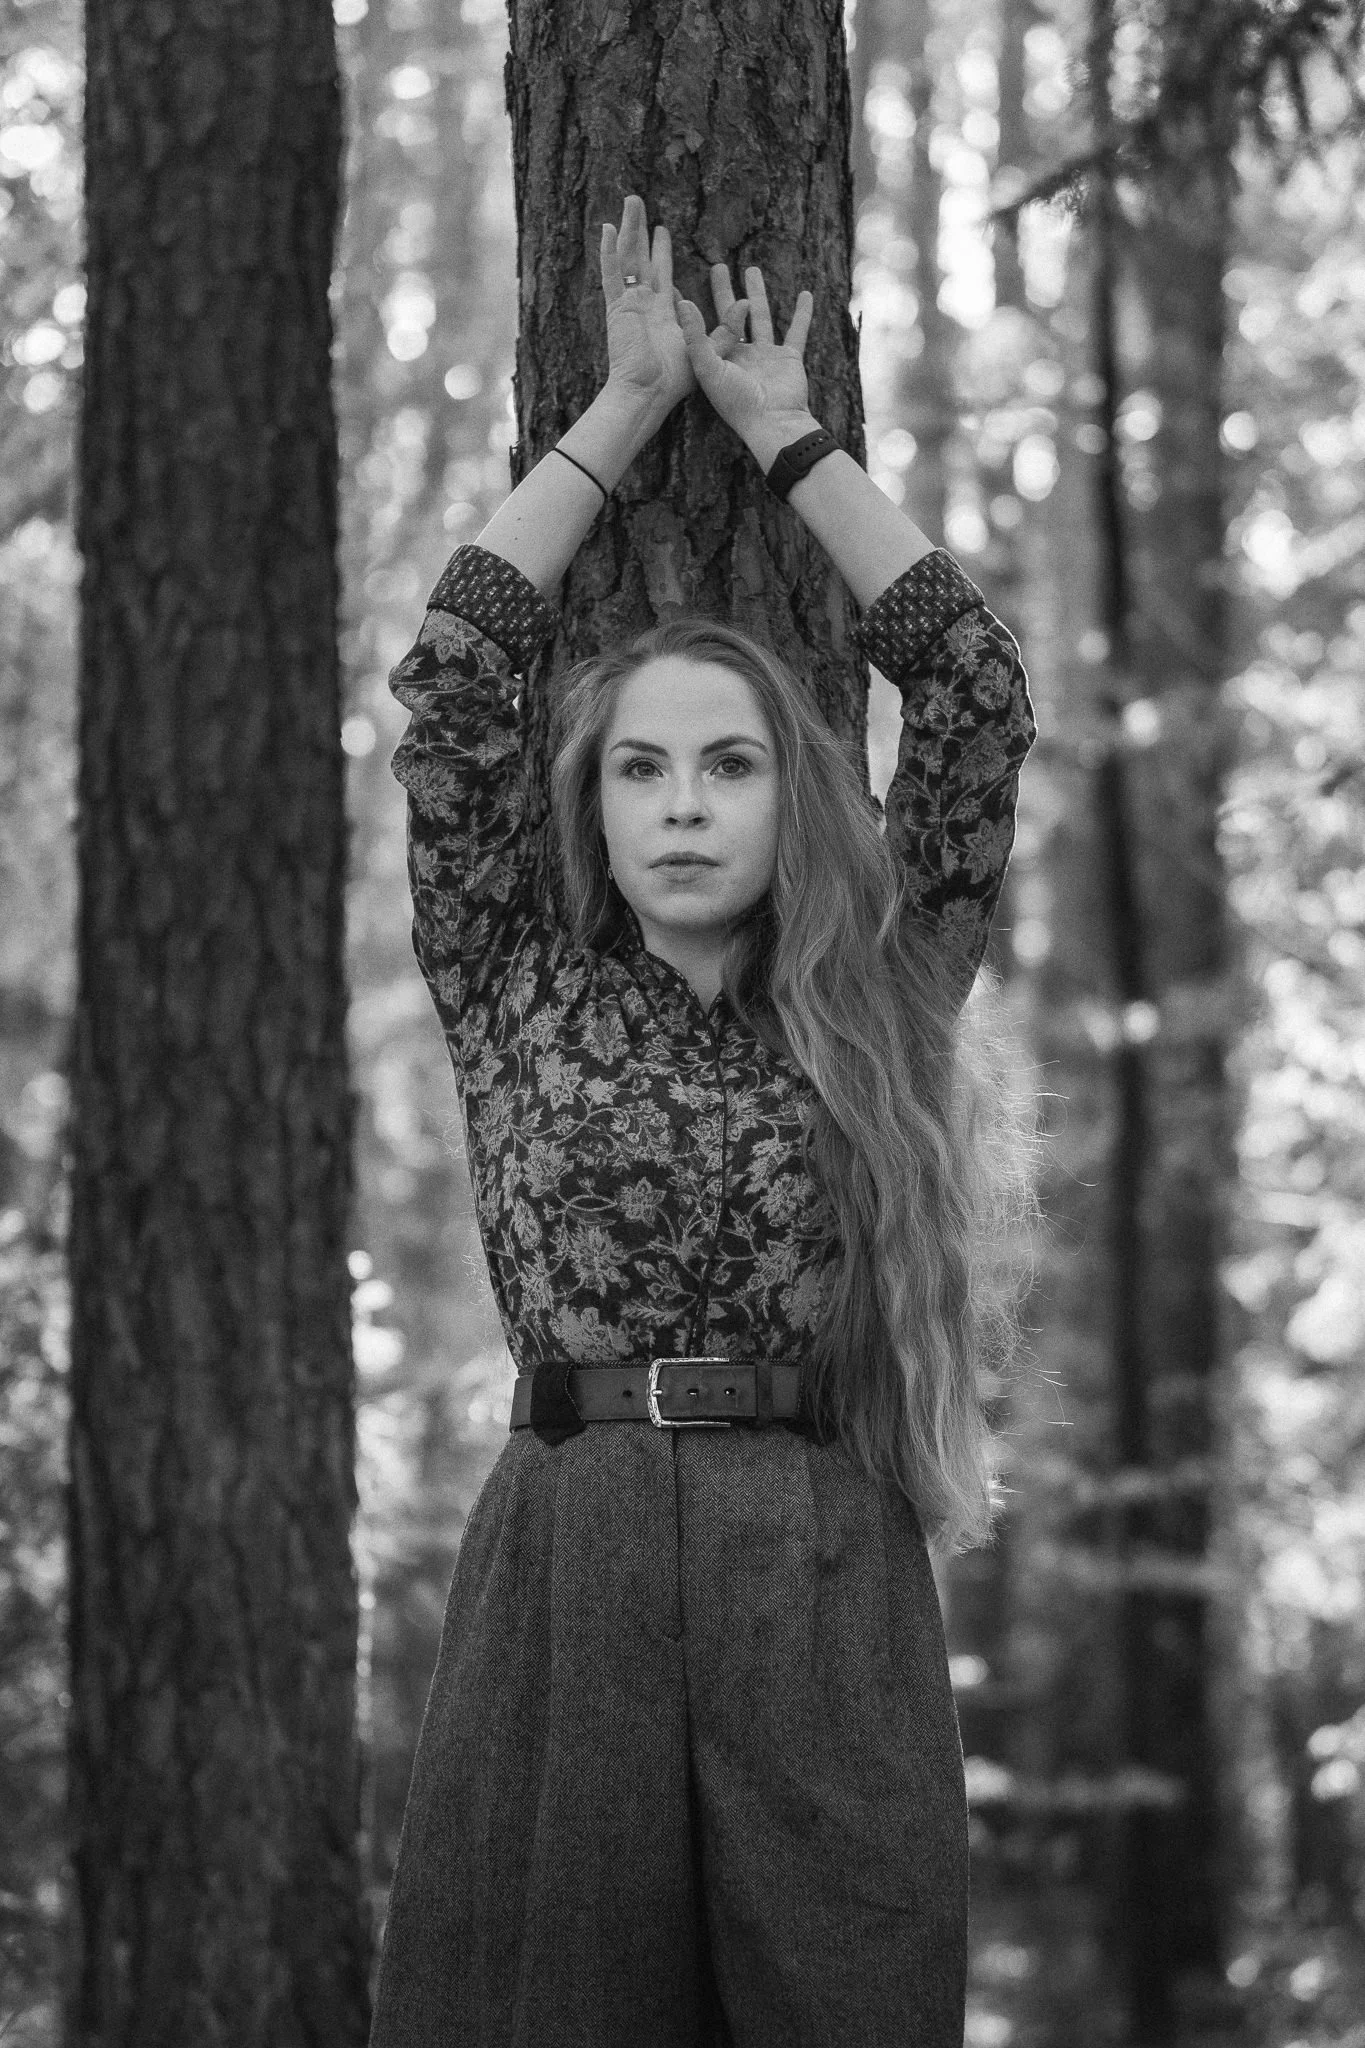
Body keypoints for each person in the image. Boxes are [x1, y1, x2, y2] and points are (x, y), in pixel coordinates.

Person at [368, 194, 1036, 2048]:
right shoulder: (512, 982)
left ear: (788, 798)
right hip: (567, 1567)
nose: (682, 806)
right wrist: (617, 414)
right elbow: (448, 684)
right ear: (595, 806)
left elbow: (978, 701)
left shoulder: (882, 991)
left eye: (729, 764)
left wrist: (777, 429)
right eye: (642, 767)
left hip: (819, 1569)